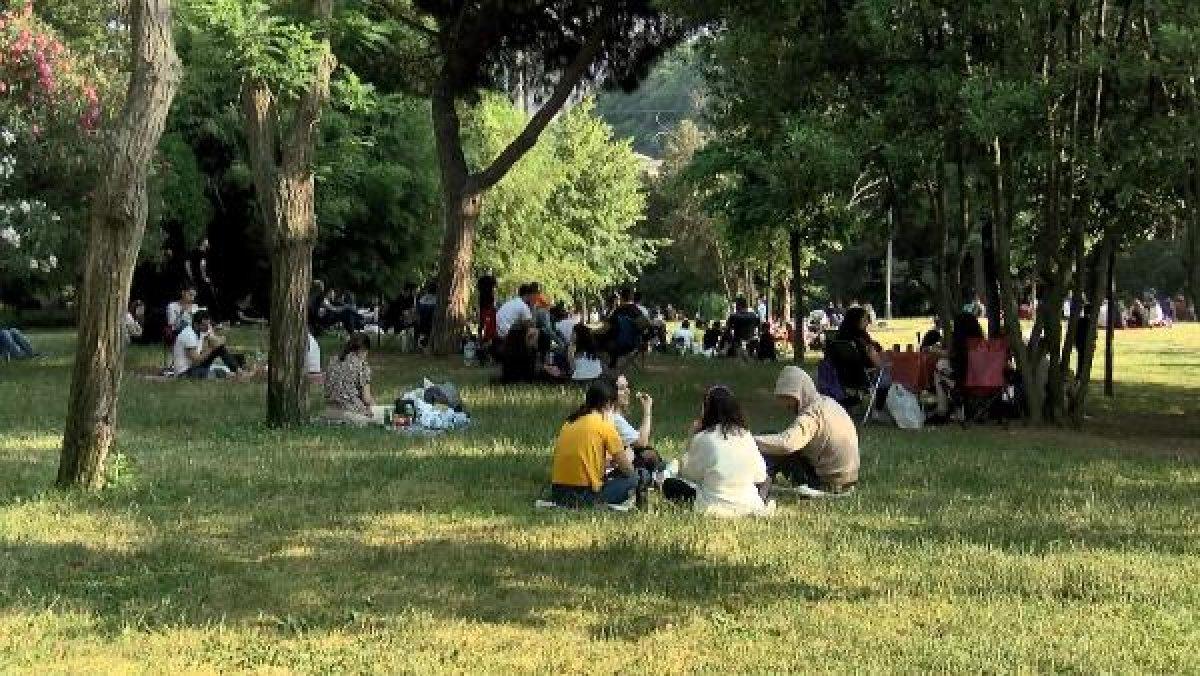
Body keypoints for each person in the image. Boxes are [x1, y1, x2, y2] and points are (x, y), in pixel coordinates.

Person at [663, 386, 771, 517]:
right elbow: (760, 476)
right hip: (749, 504)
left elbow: (688, 474)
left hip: (714, 505)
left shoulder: (704, 437)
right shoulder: (745, 435)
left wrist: (691, 438)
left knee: (670, 485)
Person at [756, 366, 860, 493]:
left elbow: (786, 444)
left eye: (788, 398)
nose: (786, 405)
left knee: (771, 442)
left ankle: (759, 484)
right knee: (772, 441)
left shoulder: (811, 415)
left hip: (829, 482)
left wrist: (748, 440)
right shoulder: (828, 403)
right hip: (848, 478)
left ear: (798, 393)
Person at [548, 379, 639, 508]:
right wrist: (628, 457)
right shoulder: (605, 426)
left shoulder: (569, 422)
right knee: (637, 477)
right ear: (608, 404)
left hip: (557, 493)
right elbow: (628, 470)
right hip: (585, 495)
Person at [929, 312, 985, 421]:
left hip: (965, 381)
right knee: (942, 364)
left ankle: (943, 409)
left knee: (939, 368)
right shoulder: (981, 343)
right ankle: (955, 409)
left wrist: (936, 351)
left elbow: (953, 356)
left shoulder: (962, 343)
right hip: (986, 381)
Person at [322, 332, 376, 425]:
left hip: (330, 410)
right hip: (350, 412)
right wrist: (376, 407)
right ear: (364, 350)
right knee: (378, 421)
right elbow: (366, 398)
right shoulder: (362, 365)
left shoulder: (333, 360)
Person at [171, 311, 242, 378]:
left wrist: (217, 342)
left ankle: (238, 371)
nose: (207, 327)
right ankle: (236, 375)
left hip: (194, 366)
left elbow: (213, 346)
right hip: (185, 372)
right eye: (204, 325)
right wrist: (211, 348)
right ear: (196, 324)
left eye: (208, 324)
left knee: (220, 348)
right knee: (220, 372)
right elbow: (196, 361)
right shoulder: (188, 335)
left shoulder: (200, 331)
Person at [498, 319, 565, 383]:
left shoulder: (518, 346)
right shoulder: (519, 352)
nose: (535, 335)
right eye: (532, 335)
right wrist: (545, 369)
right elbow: (528, 371)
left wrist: (546, 367)